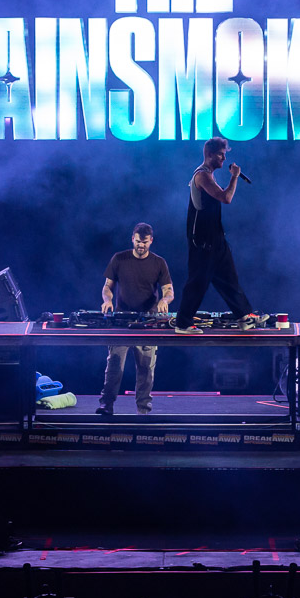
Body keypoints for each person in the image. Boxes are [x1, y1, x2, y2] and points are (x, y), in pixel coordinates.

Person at [174, 137, 262, 335]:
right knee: (198, 280)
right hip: (203, 239)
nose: (224, 158)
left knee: (228, 277)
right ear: (210, 154)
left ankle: (244, 316)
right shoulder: (202, 175)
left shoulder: (209, 175)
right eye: (221, 154)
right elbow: (226, 198)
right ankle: (183, 323)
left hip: (215, 236)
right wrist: (235, 177)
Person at [98, 223, 173, 415]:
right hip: (122, 320)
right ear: (133, 238)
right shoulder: (119, 258)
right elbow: (107, 286)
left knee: (146, 370)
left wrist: (165, 300)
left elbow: (169, 290)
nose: (141, 245)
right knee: (114, 365)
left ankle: (143, 410)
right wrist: (108, 300)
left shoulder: (159, 262)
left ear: (151, 241)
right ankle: (106, 405)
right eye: (138, 241)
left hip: (148, 322)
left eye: (145, 242)